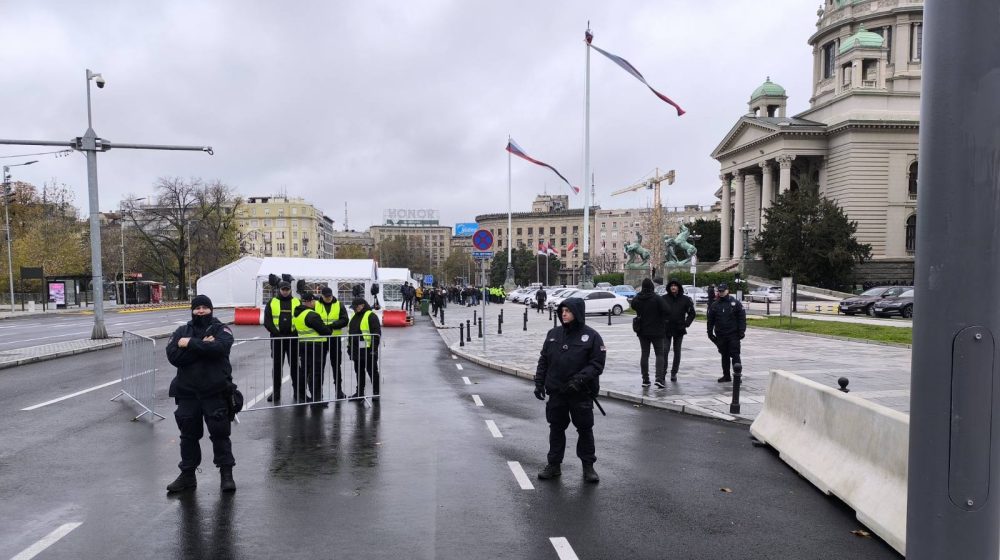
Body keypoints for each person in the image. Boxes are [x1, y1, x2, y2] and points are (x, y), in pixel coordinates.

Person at [165, 295, 237, 493]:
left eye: (205, 307)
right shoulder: (182, 330)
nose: (201, 311)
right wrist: (202, 345)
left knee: (220, 435)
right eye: (197, 308)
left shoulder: (220, 328)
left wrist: (189, 344)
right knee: (188, 436)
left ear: (211, 310)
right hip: (188, 393)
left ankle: (226, 474)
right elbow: (173, 356)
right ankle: (187, 475)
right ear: (192, 310)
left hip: (215, 392)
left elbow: (220, 348)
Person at [534, 297, 607, 483]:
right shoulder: (553, 334)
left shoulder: (591, 336)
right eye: (562, 311)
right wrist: (539, 382)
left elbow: (597, 364)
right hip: (557, 392)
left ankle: (588, 466)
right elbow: (544, 360)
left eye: (568, 311)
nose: (564, 314)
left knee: (584, 429)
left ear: (577, 313)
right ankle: (554, 465)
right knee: (556, 429)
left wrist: (579, 380)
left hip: (580, 393)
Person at [293, 292, 333, 406]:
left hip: (303, 345)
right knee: (316, 373)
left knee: (304, 372)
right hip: (315, 346)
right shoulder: (312, 315)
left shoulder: (297, 314)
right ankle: (317, 399)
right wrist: (329, 327)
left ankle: (301, 396)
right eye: (314, 301)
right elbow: (325, 331)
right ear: (310, 301)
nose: (315, 302)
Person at [263, 281, 299, 403]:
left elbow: (301, 318)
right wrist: (277, 333)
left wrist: (295, 333)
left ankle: (297, 392)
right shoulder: (272, 302)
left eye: (287, 289)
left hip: (293, 339)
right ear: (279, 289)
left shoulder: (296, 302)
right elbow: (267, 321)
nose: (285, 291)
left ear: (290, 289)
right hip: (277, 339)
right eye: (283, 289)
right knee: (277, 367)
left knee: (295, 366)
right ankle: (276, 392)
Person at [630, 278, 668, 388]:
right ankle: (659, 378)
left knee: (645, 354)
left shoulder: (638, 298)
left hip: (642, 331)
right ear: (652, 287)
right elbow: (667, 310)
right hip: (657, 331)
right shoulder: (657, 298)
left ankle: (645, 379)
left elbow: (633, 306)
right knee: (659, 354)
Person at [706, 283, 746, 383]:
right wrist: (710, 333)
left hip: (733, 334)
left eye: (723, 291)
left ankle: (738, 376)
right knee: (724, 356)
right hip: (721, 335)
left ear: (727, 291)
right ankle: (726, 376)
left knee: (735, 355)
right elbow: (710, 320)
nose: (721, 293)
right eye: (719, 291)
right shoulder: (715, 305)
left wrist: (741, 331)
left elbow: (742, 318)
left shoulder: (735, 303)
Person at [316, 287, 350, 400]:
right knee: (319, 366)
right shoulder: (316, 304)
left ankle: (338, 391)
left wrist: (331, 325)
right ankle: (318, 393)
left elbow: (345, 320)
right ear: (322, 296)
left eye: (329, 296)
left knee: (336, 365)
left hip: (334, 339)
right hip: (320, 339)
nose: (328, 298)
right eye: (326, 297)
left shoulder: (339, 305)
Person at [662, 280, 697, 382]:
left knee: (677, 351)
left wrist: (686, 323)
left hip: (679, 329)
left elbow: (692, 313)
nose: (673, 288)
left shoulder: (685, 299)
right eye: (671, 286)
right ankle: (663, 372)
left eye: (675, 286)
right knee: (665, 351)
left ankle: (674, 373)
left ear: (678, 287)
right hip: (666, 328)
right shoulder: (664, 298)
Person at [348, 298, 382, 398]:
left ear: (362, 305)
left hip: (368, 350)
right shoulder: (354, 316)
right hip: (357, 350)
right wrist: (349, 348)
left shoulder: (371, 316)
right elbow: (350, 333)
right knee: (359, 372)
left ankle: (376, 393)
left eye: (356, 307)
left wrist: (373, 350)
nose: (354, 309)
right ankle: (359, 393)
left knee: (372, 372)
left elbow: (376, 334)